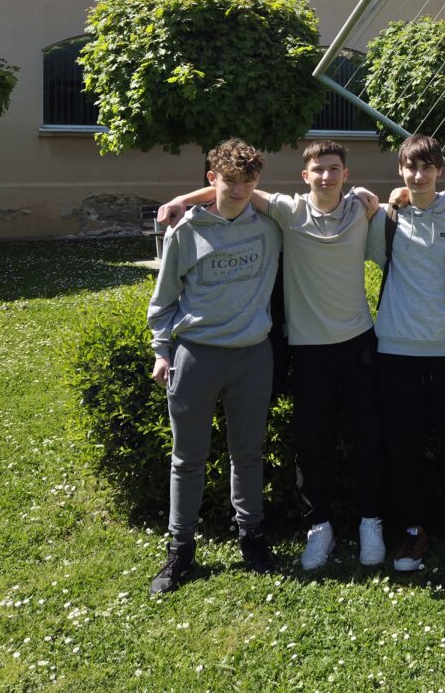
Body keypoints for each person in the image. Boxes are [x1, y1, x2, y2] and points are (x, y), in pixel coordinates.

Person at [158, 140, 383, 572]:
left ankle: (366, 522)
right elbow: (232, 188)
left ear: (346, 174)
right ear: (304, 175)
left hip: (353, 342)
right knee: (308, 445)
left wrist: (381, 196)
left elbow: (238, 187)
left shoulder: (359, 208)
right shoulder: (287, 212)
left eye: (334, 169)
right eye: (318, 169)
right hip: (300, 348)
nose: (326, 177)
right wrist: (181, 200)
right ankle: (317, 527)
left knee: (365, 437)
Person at [147, 138, 281, 595]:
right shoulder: (185, 232)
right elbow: (164, 299)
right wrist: (162, 351)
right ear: (212, 180)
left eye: (248, 181)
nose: (239, 190)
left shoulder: (270, 225)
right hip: (197, 356)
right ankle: (180, 549)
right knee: (187, 459)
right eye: (230, 181)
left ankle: (252, 539)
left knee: (248, 453)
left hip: (252, 356)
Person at [366, 135, 445, 571]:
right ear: (400, 170)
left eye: (427, 167)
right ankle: (413, 531)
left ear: (440, 171)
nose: (418, 176)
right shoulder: (385, 218)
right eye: (411, 167)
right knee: (404, 445)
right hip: (396, 347)